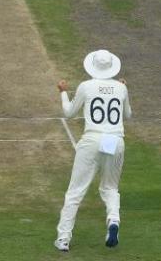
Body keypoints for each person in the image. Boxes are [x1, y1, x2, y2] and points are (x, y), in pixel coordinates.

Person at [53, 49, 133, 252]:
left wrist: (63, 92)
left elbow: (69, 112)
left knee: (75, 192)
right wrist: (123, 91)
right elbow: (128, 115)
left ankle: (63, 238)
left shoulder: (86, 86)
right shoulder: (121, 88)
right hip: (115, 140)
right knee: (110, 188)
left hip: (92, 139)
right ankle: (113, 221)